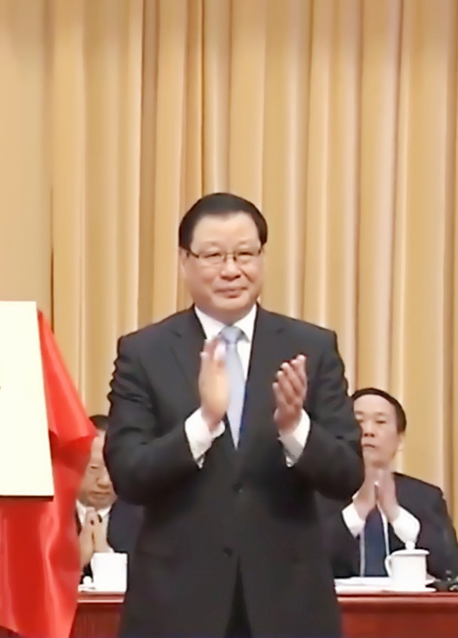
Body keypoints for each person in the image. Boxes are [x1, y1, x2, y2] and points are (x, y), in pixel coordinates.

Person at [103, 192, 363, 637]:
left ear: (262, 257)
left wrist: (295, 429)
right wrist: (203, 423)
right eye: (213, 256)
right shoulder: (145, 352)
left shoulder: (311, 347)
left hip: (288, 605)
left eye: (245, 254)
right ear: (185, 261)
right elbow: (128, 474)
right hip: (178, 606)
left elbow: (347, 475)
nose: (231, 270)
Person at [319, 387, 458, 579]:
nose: (368, 431)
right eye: (358, 421)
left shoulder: (426, 497)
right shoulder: (318, 492)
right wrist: (357, 512)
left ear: (399, 440)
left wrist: (396, 515)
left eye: (380, 422)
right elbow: (304, 563)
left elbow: (449, 567)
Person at [77, 414, 141, 577]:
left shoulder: (144, 518)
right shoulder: (49, 518)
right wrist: (75, 563)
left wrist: (105, 557)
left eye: (113, 468)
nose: (105, 481)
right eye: (93, 468)